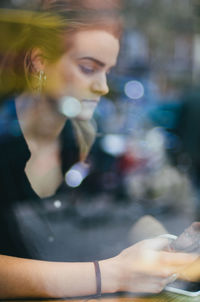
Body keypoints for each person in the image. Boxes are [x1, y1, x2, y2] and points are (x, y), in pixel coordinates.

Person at [0, 0, 197, 298]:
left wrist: (172, 248)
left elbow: (119, 210)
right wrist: (111, 274)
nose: (103, 86)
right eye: (88, 68)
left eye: (107, 71)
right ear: (41, 61)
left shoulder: (87, 139)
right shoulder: (7, 138)